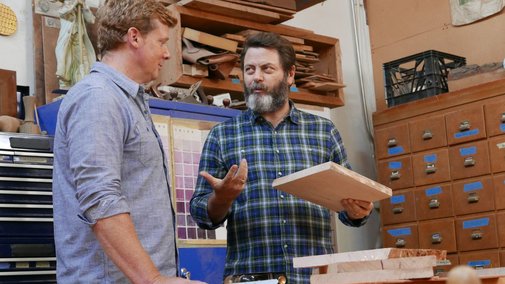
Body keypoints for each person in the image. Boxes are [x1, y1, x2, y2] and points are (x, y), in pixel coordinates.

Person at [190, 32, 374, 283]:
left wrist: (357, 211)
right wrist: (220, 199)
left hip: (314, 277)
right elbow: (201, 215)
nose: (256, 77)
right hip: (251, 277)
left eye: (267, 69)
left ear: (290, 74)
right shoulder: (222, 135)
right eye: (250, 69)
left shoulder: (323, 131)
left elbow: (348, 207)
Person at [52, 0, 204, 283]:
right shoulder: (98, 97)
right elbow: (100, 199)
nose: (167, 54)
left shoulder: (128, 100)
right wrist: (153, 279)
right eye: (161, 42)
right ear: (134, 37)